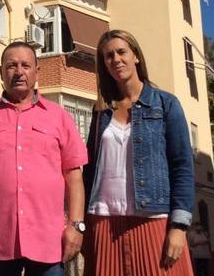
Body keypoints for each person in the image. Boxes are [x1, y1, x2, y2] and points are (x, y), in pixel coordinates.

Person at [0, 41, 88, 276]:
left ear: (37, 71)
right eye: (11, 66)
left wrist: (76, 226)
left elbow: (74, 176)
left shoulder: (59, 117)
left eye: (26, 65)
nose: (19, 72)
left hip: (49, 240)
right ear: (1, 72)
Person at [81, 30, 195, 275]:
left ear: (136, 57)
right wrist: (82, 223)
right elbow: (89, 170)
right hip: (104, 218)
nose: (116, 59)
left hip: (154, 219)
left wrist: (178, 226)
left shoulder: (166, 104)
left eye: (121, 52)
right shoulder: (101, 111)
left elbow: (182, 166)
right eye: (108, 56)